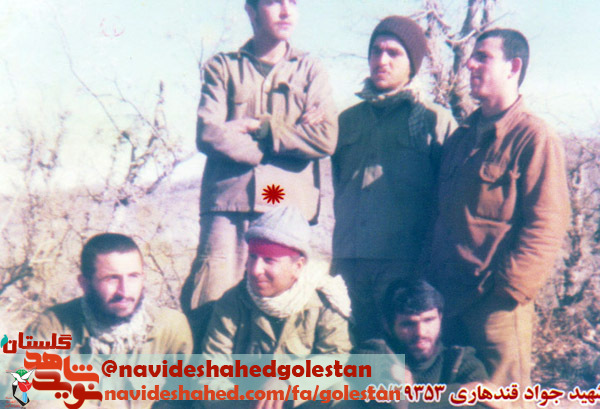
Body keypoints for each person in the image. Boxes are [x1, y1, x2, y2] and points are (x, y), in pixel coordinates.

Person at [427, 28, 570, 401]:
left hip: (496, 305)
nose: (470, 65)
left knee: (503, 401)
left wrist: (509, 290)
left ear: (513, 66)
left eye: (483, 57)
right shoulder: (461, 138)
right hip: (448, 297)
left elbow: (547, 224)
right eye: (471, 57)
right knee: (450, 400)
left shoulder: (534, 137)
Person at [181, 0, 338, 329]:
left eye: (293, 2)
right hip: (230, 206)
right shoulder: (223, 67)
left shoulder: (310, 70)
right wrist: (286, 139)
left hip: (283, 205)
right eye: (274, 2)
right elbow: (209, 133)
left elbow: (325, 137)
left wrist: (263, 129)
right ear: (251, 11)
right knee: (211, 303)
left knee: (281, 310)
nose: (286, 11)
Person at [331, 15, 456, 342]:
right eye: (376, 51)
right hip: (349, 265)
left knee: (400, 355)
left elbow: (450, 200)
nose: (381, 60)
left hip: (404, 265)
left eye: (393, 53)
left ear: (413, 64)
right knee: (351, 351)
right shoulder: (346, 121)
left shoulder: (434, 120)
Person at [201, 206, 351, 408]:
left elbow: (338, 359)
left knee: (340, 391)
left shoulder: (326, 301)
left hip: (301, 400)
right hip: (246, 403)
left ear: (298, 266)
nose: (255, 270)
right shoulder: (233, 302)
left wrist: (289, 379)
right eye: (252, 257)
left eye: (268, 260)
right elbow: (211, 375)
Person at [26, 233, 192, 355]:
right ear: (84, 283)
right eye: (112, 279)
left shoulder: (171, 328)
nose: (124, 291)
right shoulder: (53, 327)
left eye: (133, 276)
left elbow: (189, 388)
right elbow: (20, 388)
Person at [352, 280, 489, 409]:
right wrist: (462, 392)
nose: (420, 332)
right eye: (408, 324)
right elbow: (389, 402)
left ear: (440, 318)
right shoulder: (371, 353)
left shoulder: (462, 362)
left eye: (429, 320)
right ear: (388, 326)